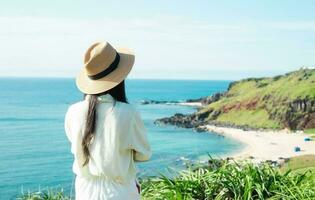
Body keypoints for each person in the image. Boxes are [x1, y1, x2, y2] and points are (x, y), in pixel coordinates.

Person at [64, 41, 152, 200]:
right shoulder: (128, 113)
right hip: (120, 191)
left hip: (85, 190)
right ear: (120, 78)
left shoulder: (73, 111)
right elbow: (144, 154)